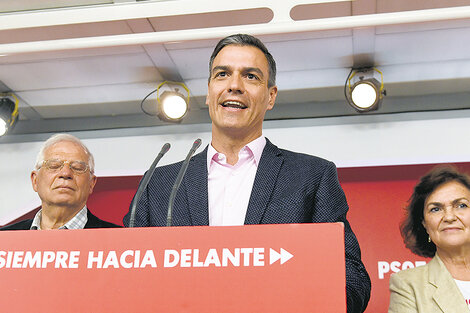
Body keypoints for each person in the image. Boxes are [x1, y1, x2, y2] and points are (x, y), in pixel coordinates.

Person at [124, 33, 370, 312]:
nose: (234, 86)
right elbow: (126, 277)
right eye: (222, 74)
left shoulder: (312, 176)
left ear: (271, 96)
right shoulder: (158, 184)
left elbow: (353, 281)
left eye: (251, 76)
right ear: (208, 92)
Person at [389, 166, 470, 312]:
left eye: (461, 205)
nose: (449, 217)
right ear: (424, 223)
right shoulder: (408, 284)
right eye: (436, 209)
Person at [1, 133, 119, 230]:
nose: (65, 173)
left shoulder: (119, 240)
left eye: (77, 167)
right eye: (54, 166)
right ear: (35, 180)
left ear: (91, 183)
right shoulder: (4, 239)